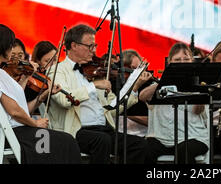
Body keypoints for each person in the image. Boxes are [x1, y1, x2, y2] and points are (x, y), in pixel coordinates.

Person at [46, 24, 148, 164]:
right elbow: (64, 100)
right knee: (102, 140)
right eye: (90, 46)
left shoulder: (93, 71)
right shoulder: (57, 70)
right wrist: (93, 86)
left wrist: (134, 88)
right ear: (74, 45)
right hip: (76, 131)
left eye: (95, 46)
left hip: (103, 130)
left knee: (139, 144)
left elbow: (112, 109)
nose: (93, 51)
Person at [0, 24, 81, 164]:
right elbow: (14, 111)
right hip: (15, 133)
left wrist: (26, 78)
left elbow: (17, 101)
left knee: (64, 141)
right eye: (10, 46)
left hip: (20, 131)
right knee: (67, 142)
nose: (12, 50)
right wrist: (35, 123)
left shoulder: (2, 73)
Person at [139, 42, 209, 164]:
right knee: (144, 148)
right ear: (169, 62)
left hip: (193, 137)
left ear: (192, 61)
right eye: (177, 60)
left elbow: (198, 111)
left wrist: (199, 91)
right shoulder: (160, 84)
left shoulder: (197, 84)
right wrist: (163, 83)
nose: (182, 62)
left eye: (186, 59)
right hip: (162, 139)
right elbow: (143, 96)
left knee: (184, 150)